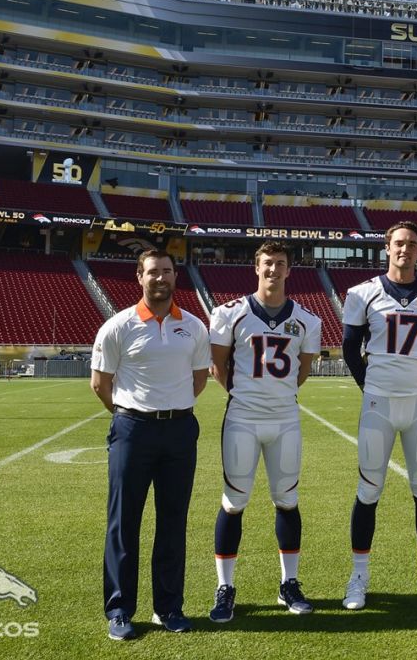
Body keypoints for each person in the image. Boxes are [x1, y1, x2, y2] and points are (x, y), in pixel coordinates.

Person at [90, 249, 211, 640]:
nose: (161, 278)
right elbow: (100, 384)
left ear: (176, 277)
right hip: (132, 430)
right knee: (124, 523)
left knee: (173, 523)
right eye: (153, 272)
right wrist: (131, 414)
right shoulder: (118, 326)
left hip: (179, 430)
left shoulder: (193, 326)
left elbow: (198, 380)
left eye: (167, 272)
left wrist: (169, 410)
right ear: (139, 277)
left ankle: (169, 607)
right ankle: (121, 610)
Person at [340, 220, 417, 610]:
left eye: (412, 244)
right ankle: (358, 576)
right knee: (368, 491)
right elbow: (350, 350)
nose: (404, 249)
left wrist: (416, 377)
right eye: (398, 243)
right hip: (379, 404)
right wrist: (371, 386)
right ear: (387, 248)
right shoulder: (363, 294)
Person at [206, 241, 322, 623]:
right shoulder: (230, 314)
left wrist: (276, 397)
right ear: (256, 267)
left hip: (285, 419)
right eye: (267, 263)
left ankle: (289, 583)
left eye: (281, 264)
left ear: (290, 271)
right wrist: (248, 396)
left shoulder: (308, 320)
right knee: (234, 501)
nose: (273, 270)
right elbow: (219, 367)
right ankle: (225, 587)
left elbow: (302, 371)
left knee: (287, 499)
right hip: (242, 417)